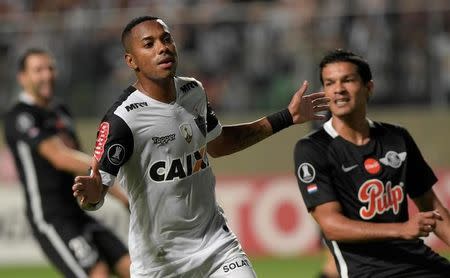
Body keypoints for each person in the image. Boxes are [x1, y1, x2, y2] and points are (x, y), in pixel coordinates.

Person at [72, 16, 329, 278]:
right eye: (149, 44)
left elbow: (219, 144)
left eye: (166, 39)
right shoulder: (122, 120)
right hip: (160, 264)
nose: (162, 47)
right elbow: (95, 196)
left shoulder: (193, 91)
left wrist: (286, 117)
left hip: (217, 247)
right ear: (131, 60)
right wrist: (93, 194)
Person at [293, 49, 450, 278]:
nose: (338, 89)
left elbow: (432, 208)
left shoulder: (397, 138)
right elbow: (331, 225)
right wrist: (402, 229)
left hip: (419, 262)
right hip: (369, 272)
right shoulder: (313, 149)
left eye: (347, 80)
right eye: (330, 83)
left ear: (369, 87)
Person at [4, 48, 131, 278]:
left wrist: (108, 189)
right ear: (22, 78)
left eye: (50, 68)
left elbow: (80, 163)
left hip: (77, 213)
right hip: (51, 218)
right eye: (38, 70)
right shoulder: (20, 116)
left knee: (133, 267)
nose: (47, 75)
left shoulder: (61, 111)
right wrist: (120, 191)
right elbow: (60, 157)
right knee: (97, 273)